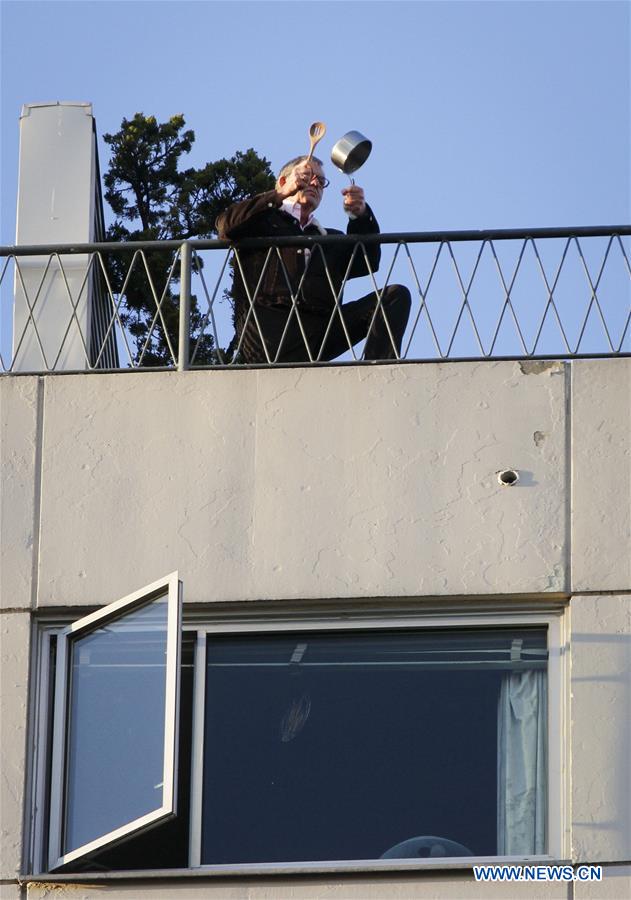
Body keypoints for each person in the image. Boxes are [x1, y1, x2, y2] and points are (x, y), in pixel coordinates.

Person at [216, 155, 411, 364]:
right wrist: (279, 195)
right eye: (307, 176)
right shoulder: (261, 223)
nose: (316, 183)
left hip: (320, 335)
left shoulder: (329, 238)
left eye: (321, 180)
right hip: (268, 337)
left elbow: (367, 262)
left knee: (395, 296)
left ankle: (378, 373)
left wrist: (360, 216)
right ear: (284, 181)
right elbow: (226, 226)